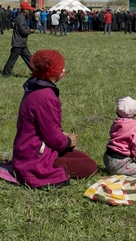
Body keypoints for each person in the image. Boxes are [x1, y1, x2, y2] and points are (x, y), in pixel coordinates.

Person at [12, 50, 97, 188]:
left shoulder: (34, 86)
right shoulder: (46, 97)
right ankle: (49, 166)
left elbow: (45, 126)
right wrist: (68, 141)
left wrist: (63, 134)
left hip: (29, 149)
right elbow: (53, 138)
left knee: (84, 157)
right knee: (90, 166)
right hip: (35, 157)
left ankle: (55, 159)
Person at [103, 96, 136, 177]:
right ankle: (121, 173)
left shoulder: (116, 123)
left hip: (107, 158)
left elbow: (111, 134)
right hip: (119, 162)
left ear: (117, 112)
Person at [1, 2, 36, 77]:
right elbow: (23, 30)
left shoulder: (22, 17)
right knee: (12, 59)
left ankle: (37, 73)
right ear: (25, 10)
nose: (30, 11)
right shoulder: (21, 18)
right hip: (19, 42)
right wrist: (30, 31)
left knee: (29, 58)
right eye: (29, 10)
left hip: (21, 42)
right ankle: (5, 74)